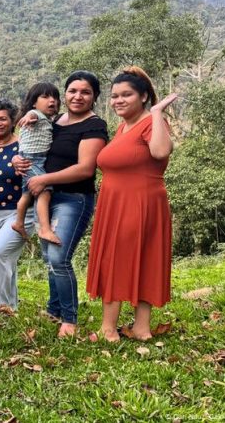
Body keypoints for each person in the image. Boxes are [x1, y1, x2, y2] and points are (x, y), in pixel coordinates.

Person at [14, 70, 109, 338]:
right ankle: (54, 309)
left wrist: (43, 178)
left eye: (85, 92)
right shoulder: (54, 121)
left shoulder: (94, 126)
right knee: (49, 257)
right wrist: (17, 162)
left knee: (59, 256)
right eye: (72, 91)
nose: (78, 96)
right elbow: (34, 147)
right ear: (65, 94)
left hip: (74, 198)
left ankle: (69, 319)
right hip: (48, 195)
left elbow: (85, 168)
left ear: (94, 97)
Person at [87, 67, 177, 342]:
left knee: (118, 258)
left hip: (138, 202)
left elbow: (160, 151)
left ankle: (108, 329)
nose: (119, 100)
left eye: (126, 95)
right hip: (118, 202)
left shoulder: (151, 122)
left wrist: (157, 113)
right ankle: (140, 328)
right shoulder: (123, 127)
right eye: (114, 96)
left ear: (143, 97)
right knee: (138, 257)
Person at [0, 101, 36, 311]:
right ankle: (10, 307)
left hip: (20, 212)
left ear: (13, 120)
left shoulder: (23, 146)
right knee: (6, 260)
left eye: (3, 118)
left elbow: (33, 177)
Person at [11, 83, 61, 244]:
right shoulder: (36, 114)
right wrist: (28, 117)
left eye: (55, 97)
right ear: (34, 102)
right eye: (45, 97)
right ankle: (45, 229)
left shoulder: (48, 119)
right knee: (44, 191)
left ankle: (19, 222)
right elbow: (30, 117)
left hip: (31, 158)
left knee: (27, 193)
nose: (52, 101)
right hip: (33, 160)